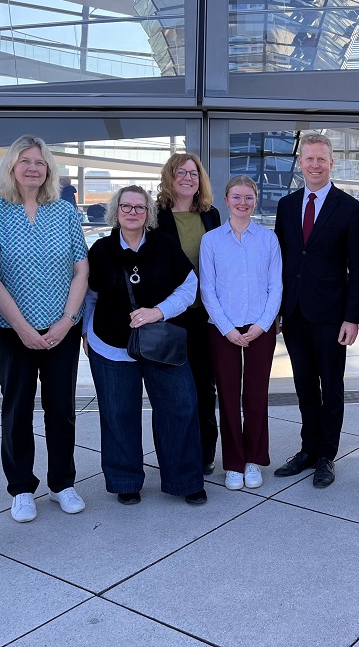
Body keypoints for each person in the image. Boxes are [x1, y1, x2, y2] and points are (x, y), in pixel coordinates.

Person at [0, 135, 89, 524]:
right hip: (12, 331)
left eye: (40, 162)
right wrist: (21, 326)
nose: (32, 168)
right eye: (25, 160)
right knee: (17, 409)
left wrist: (66, 321)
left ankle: (62, 483)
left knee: (61, 408)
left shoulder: (63, 211)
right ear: (12, 166)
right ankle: (22, 487)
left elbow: (81, 269)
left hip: (62, 330)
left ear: (49, 169)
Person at [84, 186, 207, 506]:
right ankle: (125, 479)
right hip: (110, 345)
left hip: (161, 341)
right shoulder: (100, 250)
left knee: (180, 405)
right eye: (126, 206)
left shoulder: (165, 245)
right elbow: (90, 296)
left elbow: (189, 285)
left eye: (140, 207)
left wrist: (158, 312)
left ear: (149, 213)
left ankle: (185, 479)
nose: (133, 212)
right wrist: (87, 334)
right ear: (116, 211)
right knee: (117, 412)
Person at [274, 132, 359, 488]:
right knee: (304, 387)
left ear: (331, 163)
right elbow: (282, 262)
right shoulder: (286, 205)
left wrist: (352, 317)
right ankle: (307, 450)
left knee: (331, 387)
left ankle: (327, 455)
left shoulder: (349, 208)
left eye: (321, 159)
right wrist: (279, 311)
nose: (314, 165)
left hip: (331, 315)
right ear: (301, 164)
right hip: (295, 313)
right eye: (309, 159)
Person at [199, 176, 282, 492]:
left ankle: (253, 460)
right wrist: (227, 328)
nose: (243, 202)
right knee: (229, 396)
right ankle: (233, 462)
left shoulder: (267, 239)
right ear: (226, 199)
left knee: (257, 395)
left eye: (249, 197)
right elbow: (207, 288)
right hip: (223, 329)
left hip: (260, 327)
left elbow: (276, 285)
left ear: (256, 200)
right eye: (237, 197)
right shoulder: (212, 241)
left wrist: (262, 324)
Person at [155, 152, 221, 475]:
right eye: (181, 173)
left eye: (194, 173)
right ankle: (176, 453)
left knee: (204, 387)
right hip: (169, 315)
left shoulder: (211, 215)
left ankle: (205, 452)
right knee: (173, 389)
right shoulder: (156, 216)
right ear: (170, 177)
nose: (188, 178)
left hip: (204, 316)